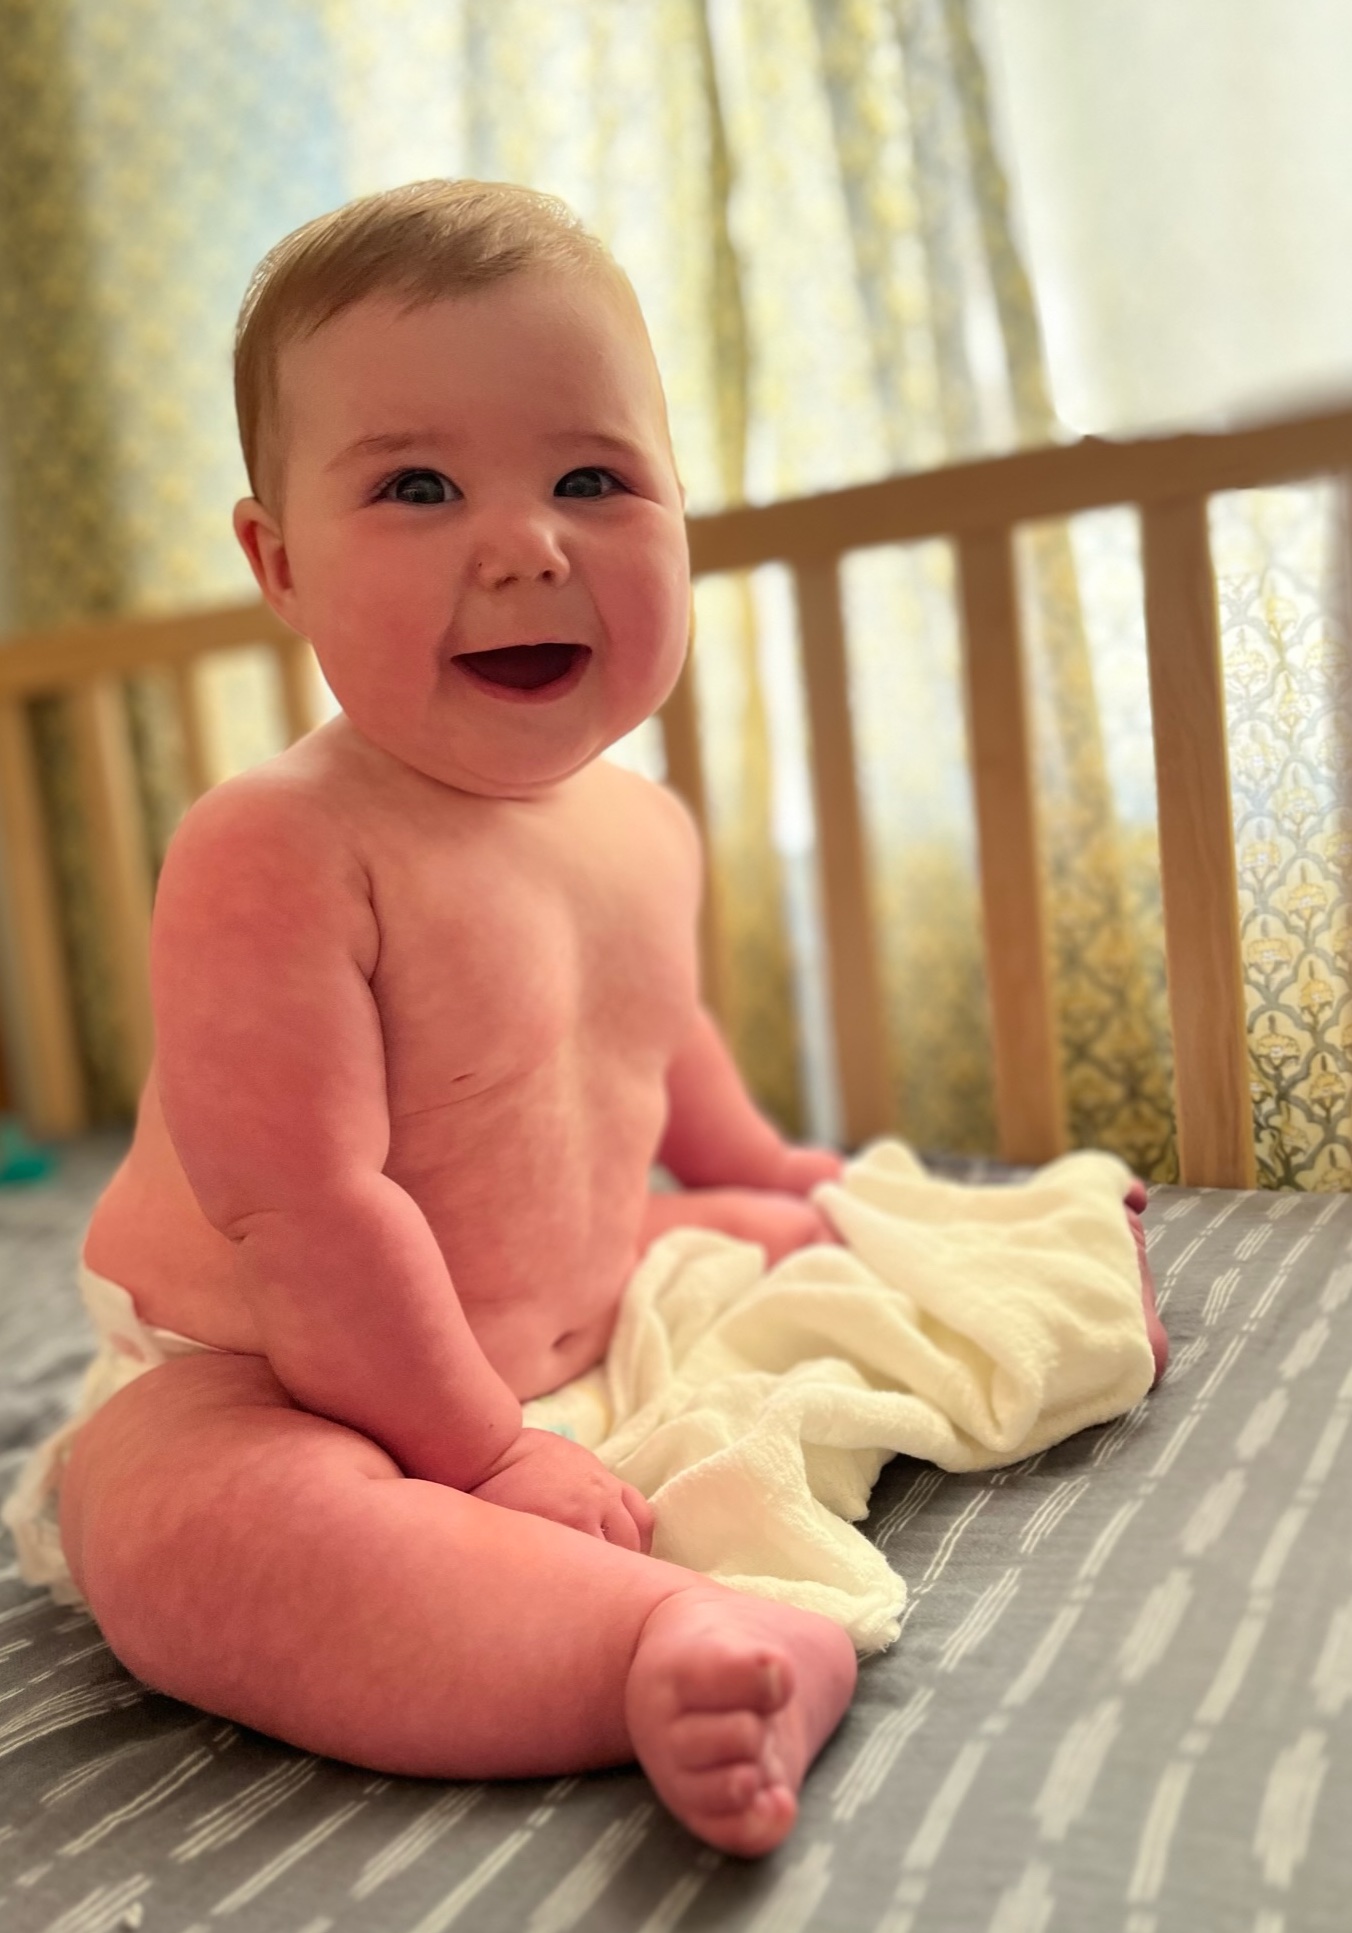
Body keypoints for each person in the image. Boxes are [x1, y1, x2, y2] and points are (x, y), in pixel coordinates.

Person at [31, 181, 1165, 1859]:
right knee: (180, 1534)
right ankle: (650, 1642)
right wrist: (486, 1456)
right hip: (278, 1371)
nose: (525, 545)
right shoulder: (275, 846)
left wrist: (779, 1174)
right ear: (279, 563)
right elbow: (306, 1210)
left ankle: (923, 1296)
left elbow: (652, 1042)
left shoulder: (643, 825)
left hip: (565, 1302)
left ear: (679, 511)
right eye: (418, 487)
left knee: (805, 1230)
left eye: (591, 480)